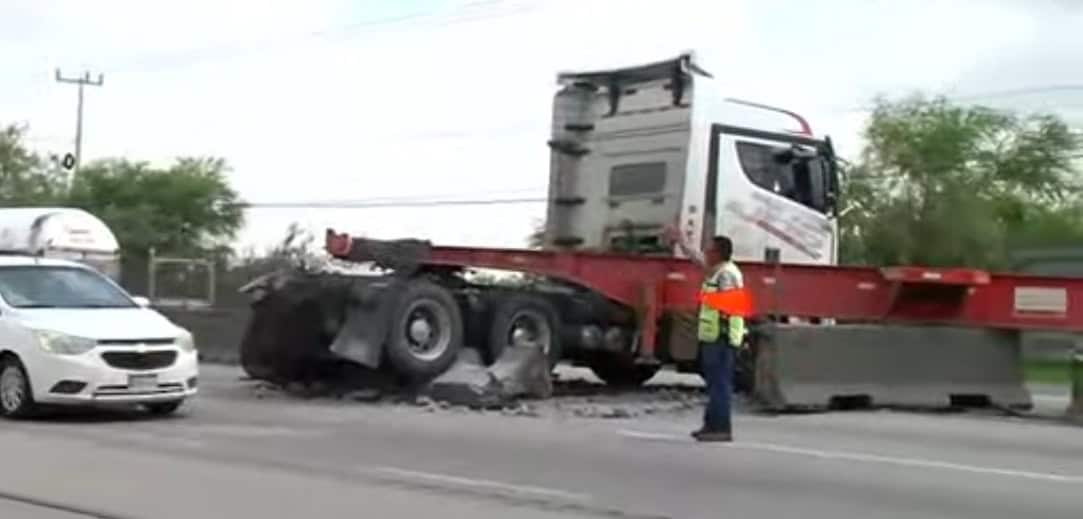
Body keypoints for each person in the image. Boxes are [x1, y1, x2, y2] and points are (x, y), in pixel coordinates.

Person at [664, 226, 746, 443]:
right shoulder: (720, 271)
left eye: (709, 249)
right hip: (715, 337)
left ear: (718, 253)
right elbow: (698, 260)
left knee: (720, 384)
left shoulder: (726, 274)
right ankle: (711, 425)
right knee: (715, 383)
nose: (706, 252)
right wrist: (681, 242)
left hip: (721, 338)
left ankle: (720, 428)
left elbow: (731, 305)